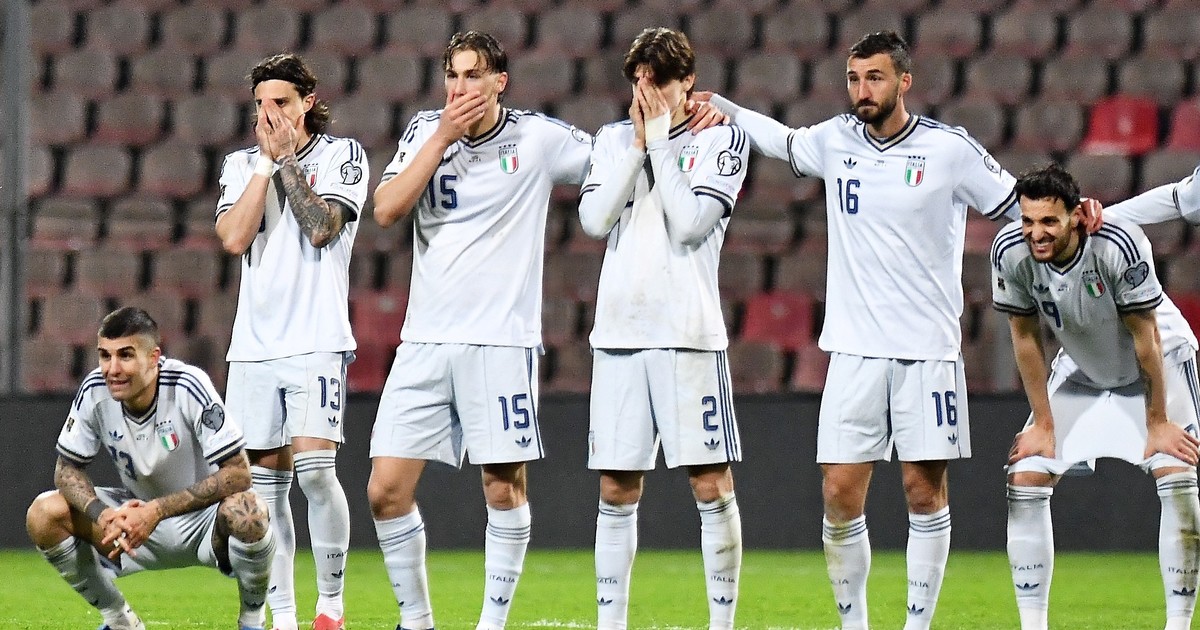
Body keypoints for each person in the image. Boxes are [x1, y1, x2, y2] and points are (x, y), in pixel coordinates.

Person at [686, 30, 1107, 629]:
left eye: (875, 77)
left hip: (927, 351)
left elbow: (1020, 203)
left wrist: (1078, 207)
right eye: (854, 78)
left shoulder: (949, 150)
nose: (862, 90)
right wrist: (726, 107)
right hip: (852, 350)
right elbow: (782, 140)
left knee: (923, 492)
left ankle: (916, 625)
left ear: (904, 81)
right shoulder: (835, 139)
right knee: (838, 493)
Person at [367, 31, 592, 630]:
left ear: (500, 82)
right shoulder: (425, 131)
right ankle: (417, 621)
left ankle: (491, 624)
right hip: (424, 341)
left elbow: (611, 160)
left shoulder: (537, 139)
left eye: (473, 75)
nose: (460, 88)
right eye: (452, 76)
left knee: (502, 489)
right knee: (385, 491)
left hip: (500, 343)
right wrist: (441, 138)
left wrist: (666, 128)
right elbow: (386, 210)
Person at [577, 27, 748, 630]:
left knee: (710, 484)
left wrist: (659, 143)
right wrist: (637, 145)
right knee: (616, 489)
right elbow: (594, 219)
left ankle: (721, 624)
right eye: (638, 82)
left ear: (688, 84)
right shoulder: (610, 140)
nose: (645, 94)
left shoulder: (720, 138)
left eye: (659, 83)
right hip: (618, 334)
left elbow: (690, 222)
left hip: (687, 334)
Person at [993, 163, 1200, 630]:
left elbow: (1147, 339)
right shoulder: (1010, 251)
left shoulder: (1116, 244)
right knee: (1026, 475)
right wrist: (1043, 424)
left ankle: (1178, 624)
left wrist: (1157, 423)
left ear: (1076, 216)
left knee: (1177, 476)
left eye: (1049, 221)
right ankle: (1032, 626)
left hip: (1160, 362)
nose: (1036, 233)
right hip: (1084, 368)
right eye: (1028, 221)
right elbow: (1024, 337)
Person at [215, 53, 369, 630]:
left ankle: (330, 608)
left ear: (308, 101)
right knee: (263, 489)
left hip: (316, 339)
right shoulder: (239, 165)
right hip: (253, 348)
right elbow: (234, 238)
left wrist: (285, 162)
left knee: (317, 473)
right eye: (260, 104)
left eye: (280, 102)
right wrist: (265, 164)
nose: (268, 114)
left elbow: (322, 228)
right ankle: (282, 615)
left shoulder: (342, 156)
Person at [25, 307, 274, 630]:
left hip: (203, 523)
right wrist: (102, 513)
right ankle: (119, 620)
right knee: (43, 512)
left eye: (125, 355)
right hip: (132, 523)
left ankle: (252, 620)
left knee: (249, 512)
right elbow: (66, 470)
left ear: (154, 357)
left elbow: (239, 473)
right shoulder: (94, 390)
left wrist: (156, 511)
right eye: (105, 355)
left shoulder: (187, 385)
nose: (112, 369)